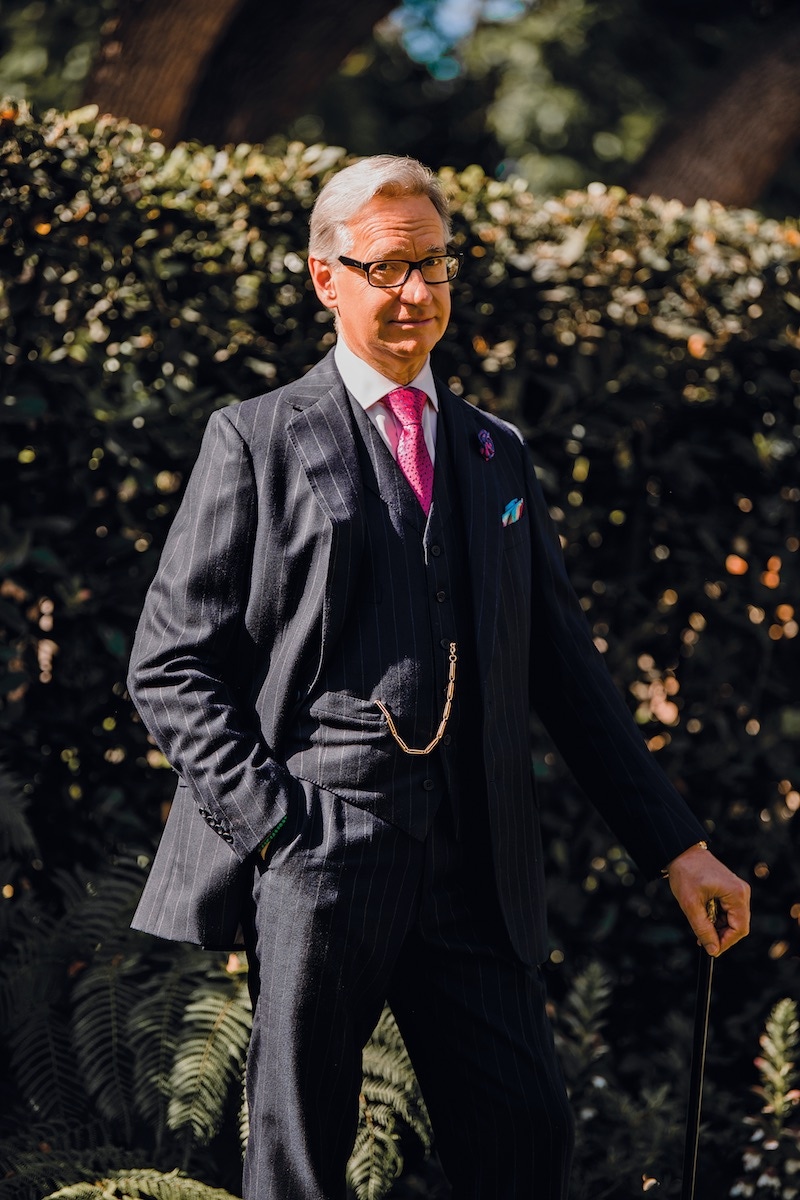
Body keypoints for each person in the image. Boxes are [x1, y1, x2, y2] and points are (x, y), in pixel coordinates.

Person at [127, 155, 750, 1200]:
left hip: (474, 865)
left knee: (524, 1139)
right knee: (300, 1173)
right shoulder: (255, 439)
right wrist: (277, 827)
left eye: (432, 265)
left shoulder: (493, 450)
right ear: (325, 278)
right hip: (318, 861)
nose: (414, 292)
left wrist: (675, 847)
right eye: (385, 269)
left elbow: (562, 668)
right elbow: (169, 664)